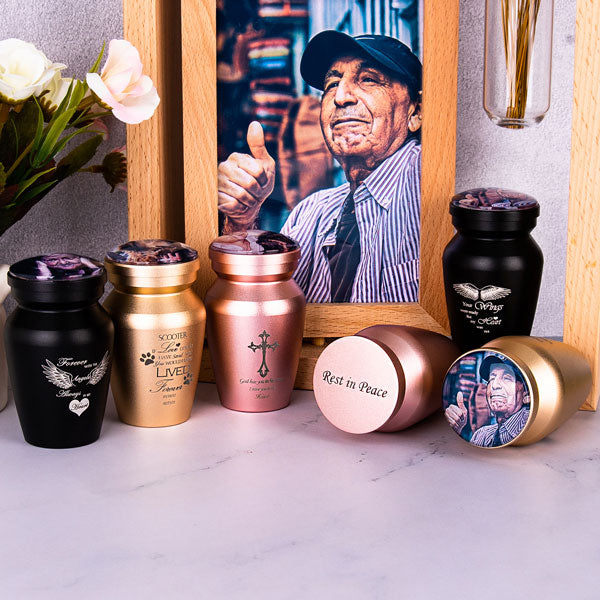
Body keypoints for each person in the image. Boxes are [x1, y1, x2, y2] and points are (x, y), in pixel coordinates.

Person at [218, 31, 422, 303]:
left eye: (369, 79)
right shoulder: (310, 213)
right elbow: (260, 304)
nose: (341, 97)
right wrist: (241, 221)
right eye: (331, 84)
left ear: (415, 112)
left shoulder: (424, 181)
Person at [445, 356, 531, 447]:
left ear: (526, 391)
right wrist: (457, 429)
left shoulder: (529, 430)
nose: (494, 385)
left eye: (507, 378)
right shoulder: (481, 435)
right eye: (491, 379)